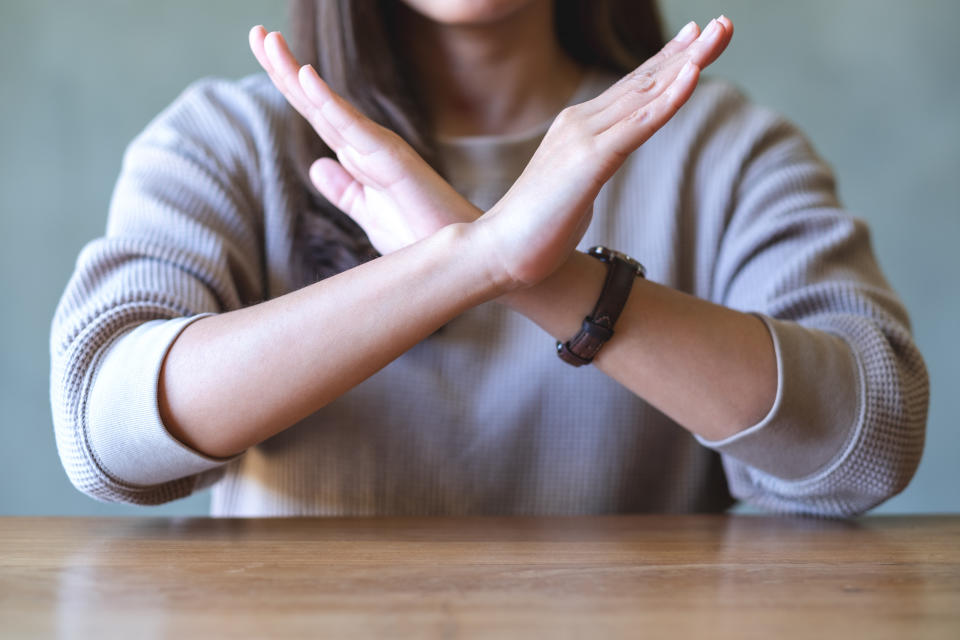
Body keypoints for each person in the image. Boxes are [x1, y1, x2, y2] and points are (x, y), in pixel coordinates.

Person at [50, 0, 928, 517]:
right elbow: (105, 430)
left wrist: (537, 275)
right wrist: (469, 261)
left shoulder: (723, 147)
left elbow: (866, 444)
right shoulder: (227, 140)